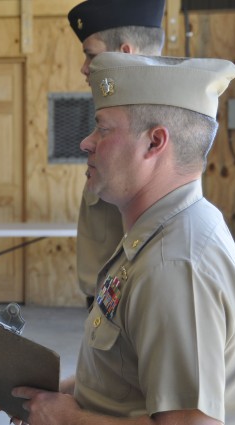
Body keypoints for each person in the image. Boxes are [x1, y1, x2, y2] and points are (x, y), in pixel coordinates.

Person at [11, 53, 235, 425]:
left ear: (154, 143)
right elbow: (130, 377)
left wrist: (67, 420)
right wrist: (64, 393)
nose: (86, 143)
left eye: (103, 129)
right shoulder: (159, 234)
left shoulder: (175, 265)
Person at [67, 0, 166, 307]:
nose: (85, 68)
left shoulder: (161, 121)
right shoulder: (118, 111)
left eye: (91, 54)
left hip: (129, 295)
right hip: (107, 289)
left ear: (124, 54)